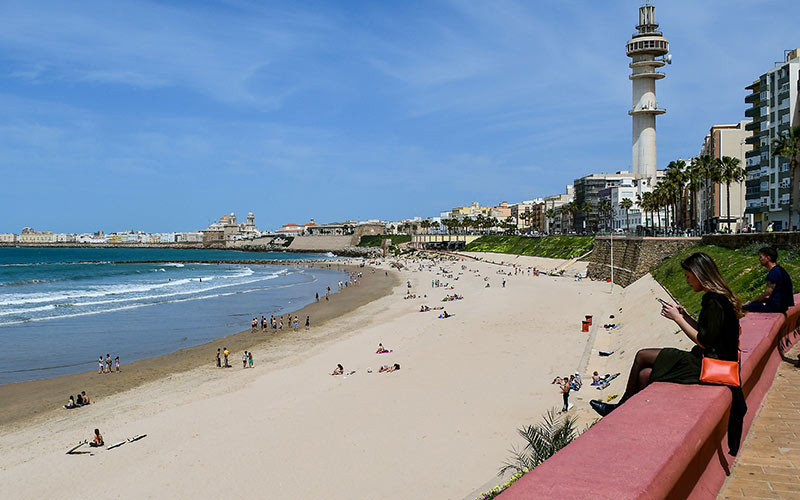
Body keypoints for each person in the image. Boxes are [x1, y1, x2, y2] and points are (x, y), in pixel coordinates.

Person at [589, 252, 748, 455]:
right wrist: (685, 317)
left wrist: (677, 319)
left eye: (688, 276)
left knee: (642, 355)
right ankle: (629, 416)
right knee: (645, 374)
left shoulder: (713, 301)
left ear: (699, 275)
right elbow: (708, 331)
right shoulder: (720, 299)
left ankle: (619, 407)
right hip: (715, 361)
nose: (687, 281)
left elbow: (704, 340)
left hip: (709, 364)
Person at [743, 247, 794, 313]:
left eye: (761, 257)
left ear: (768, 258)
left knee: (745, 308)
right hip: (782, 306)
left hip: (776, 306)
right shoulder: (780, 270)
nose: (759, 259)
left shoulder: (774, 273)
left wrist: (751, 302)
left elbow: (766, 295)